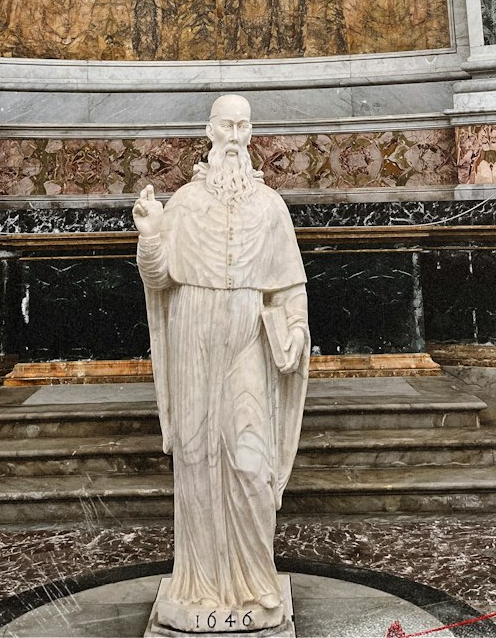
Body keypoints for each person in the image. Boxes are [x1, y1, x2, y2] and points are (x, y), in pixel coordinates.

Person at [134, 95, 309, 635]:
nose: (233, 134)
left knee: (251, 465)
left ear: (251, 132)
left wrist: (295, 329)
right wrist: (149, 233)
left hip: (247, 348)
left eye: (242, 125)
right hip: (193, 341)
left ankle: (256, 578)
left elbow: (290, 288)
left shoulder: (270, 207)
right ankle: (201, 584)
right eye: (225, 124)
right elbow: (159, 279)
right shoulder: (183, 203)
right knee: (195, 457)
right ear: (209, 130)